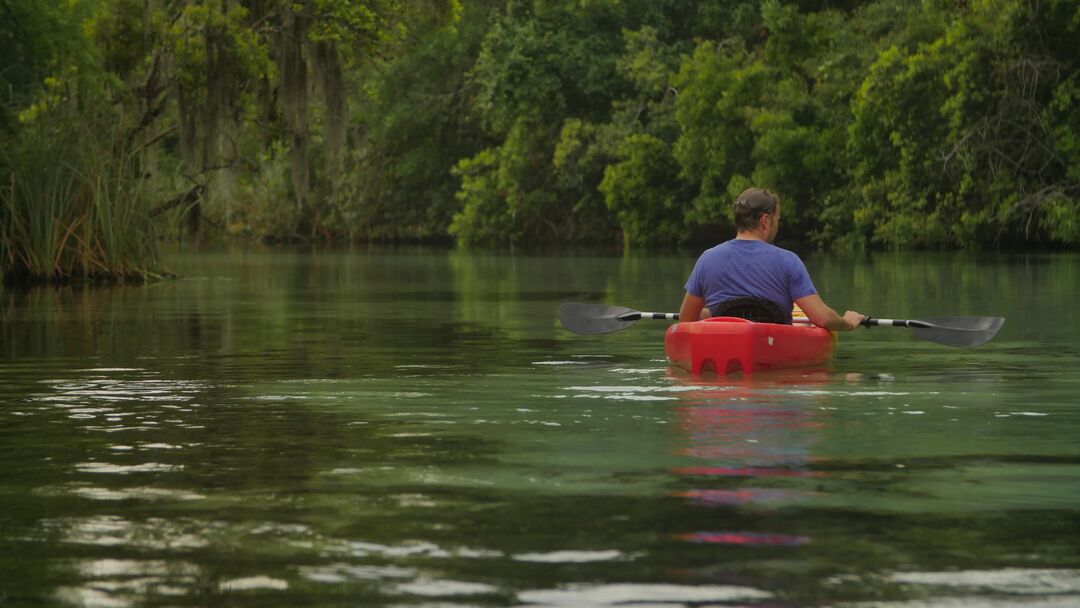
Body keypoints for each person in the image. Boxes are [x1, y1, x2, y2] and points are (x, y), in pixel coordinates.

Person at [678, 187, 865, 331]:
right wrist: (847, 322)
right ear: (765, 221)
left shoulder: (707, 259)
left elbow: (686, 318)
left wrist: (715, 316)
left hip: (724, 354)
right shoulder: (788, 261)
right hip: (774, 353)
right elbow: (823, 319)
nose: (777, 225)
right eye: (777, 219)